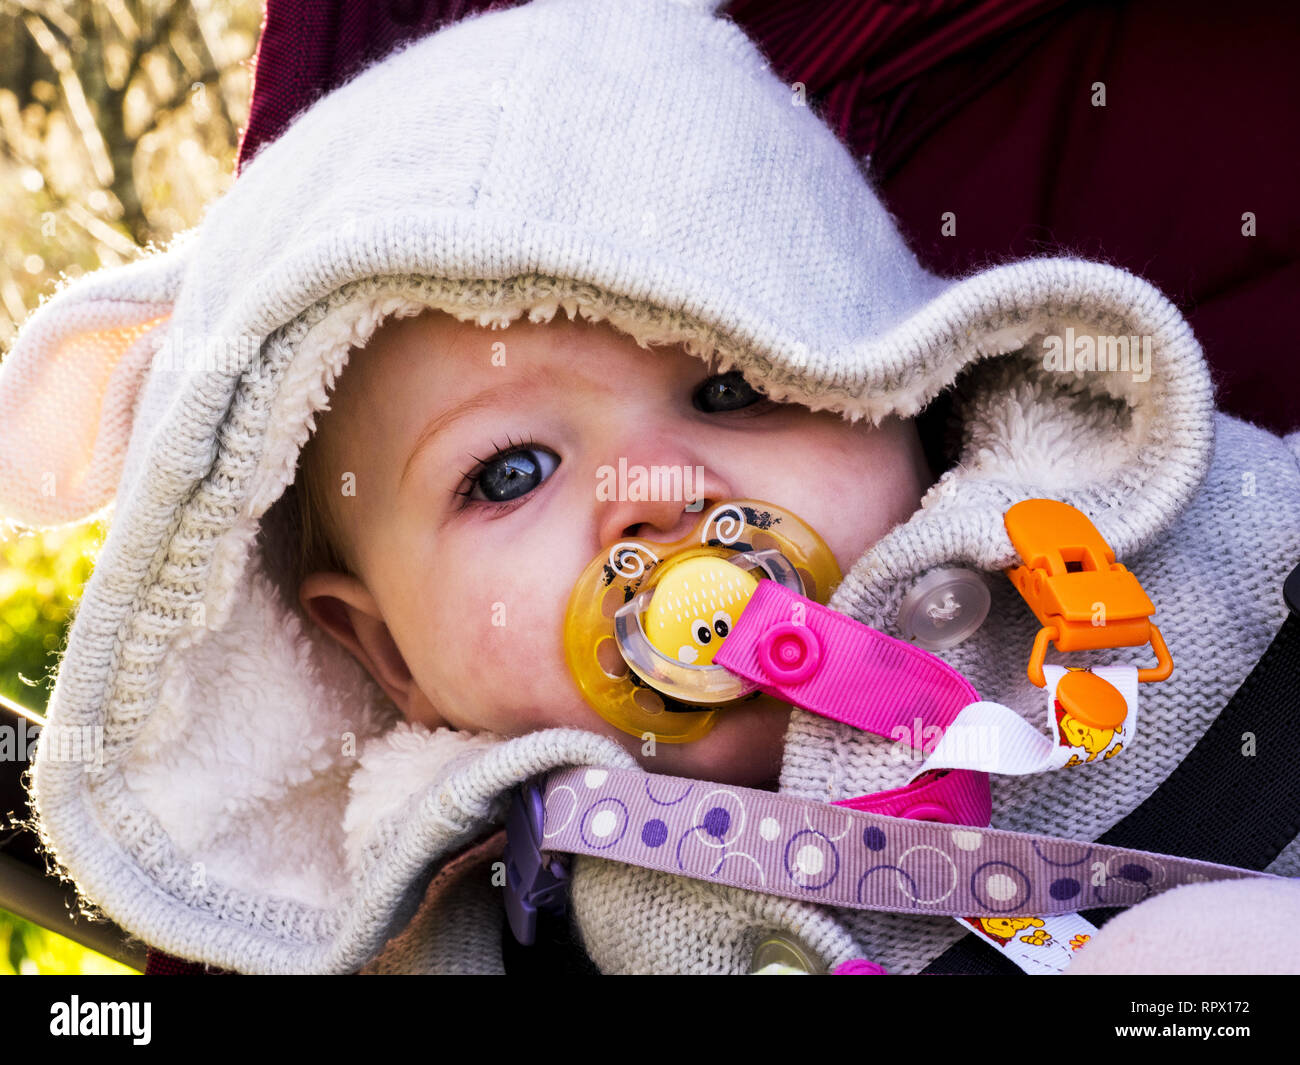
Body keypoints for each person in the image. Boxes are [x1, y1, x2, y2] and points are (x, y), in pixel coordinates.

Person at [0, 0, 1296, 975]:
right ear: (385, 650)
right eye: (508, 471)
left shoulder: (1161, 542)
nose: (655, 490)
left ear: (913, 392)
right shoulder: (474, 921)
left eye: (733, 388)